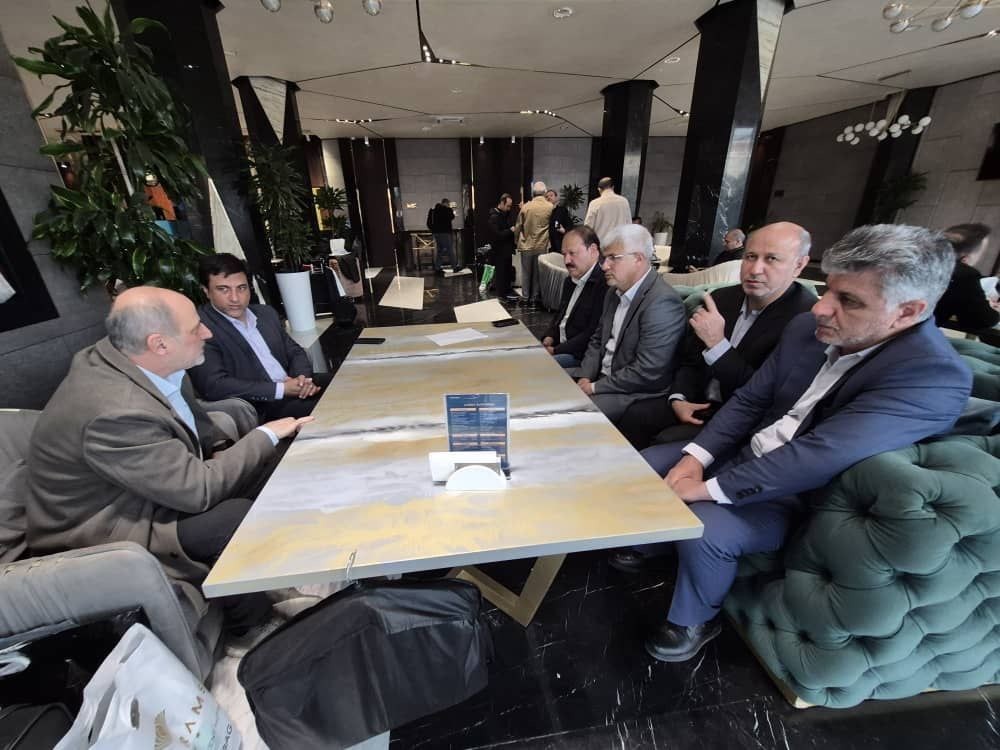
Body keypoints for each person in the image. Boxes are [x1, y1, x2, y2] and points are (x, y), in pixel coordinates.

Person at [639, 224, 972, 664]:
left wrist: (704, 489)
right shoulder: (805, 327)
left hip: (796, 496)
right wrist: (695, 458)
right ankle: (657, 541)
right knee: (644, 465)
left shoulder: (931, 376)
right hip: (745, 453)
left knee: (708, 527)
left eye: (848, 300)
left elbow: (818, 455)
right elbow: (750, 399)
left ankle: (695, 619)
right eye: (828, 288)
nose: (821, 307)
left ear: (907, 311)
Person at [26, 287, 313, 632]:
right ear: (159, 344)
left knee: (274, 463)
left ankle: (280, 569)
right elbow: (196, 492)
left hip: (150, 489)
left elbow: (194, 424)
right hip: (108, 525)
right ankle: (254, 629)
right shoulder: (115, 411)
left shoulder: (146, 363)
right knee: (231, 518)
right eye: (195, 328)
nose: (208, 332)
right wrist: (264, 434)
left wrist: (225, 447)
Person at [615, 222, 815, 452]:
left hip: (741, 419)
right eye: (750, 257)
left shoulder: (805, 319)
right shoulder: (722, 298)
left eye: (771, 259)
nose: (755, 269)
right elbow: (689, 360)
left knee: (664, 442)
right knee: (634, 416)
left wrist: (718, 345)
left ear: (799, 265)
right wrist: (679, 398)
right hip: (698, 400)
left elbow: (764, 397)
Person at [188, 253, 332, 421]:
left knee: (349, 383)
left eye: (241, 288)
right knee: (333, 409)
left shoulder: (265, 314)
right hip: (263, 406)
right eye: (223, 289)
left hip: (294, 385)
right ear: (206, 291)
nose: (235, 298)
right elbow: (215, 385)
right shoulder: (200, 328)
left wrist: (302, 380)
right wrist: (281, 389)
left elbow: (295, 351)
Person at [573, 224, 687, 422]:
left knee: (571, 414)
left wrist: (593, 387)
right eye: (604, 258)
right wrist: (585, 376)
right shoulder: (613, 292)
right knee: (549, 384)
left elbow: (647, 370)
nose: (604, 266)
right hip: (600, 378)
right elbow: (597, 340)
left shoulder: (662, 302)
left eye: (613, 258)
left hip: (633, 392)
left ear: (638, 259)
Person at [541, 225, 607, 369]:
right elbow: (560, 315)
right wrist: (549, 336)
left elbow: (592, 333)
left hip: (579, 355)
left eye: (572, 253)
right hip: (559, 345)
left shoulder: (603, 284)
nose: (567, 261)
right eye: (564, 254)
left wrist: (555, 350)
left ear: (593, 250)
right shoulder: (569, 281)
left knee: (538, 367)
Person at [934, 223, 998, 330]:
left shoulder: (918, 259)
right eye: (981, 253)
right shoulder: (966, 276)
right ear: (965, 259)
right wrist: (994, 309)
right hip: (913, 335)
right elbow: (983, 321)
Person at [513, 181, 554, 305]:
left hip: (526, 244)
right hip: (542, 244)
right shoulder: (550, 207)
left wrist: (516, 240)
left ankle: (525, 297)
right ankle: (535, 297)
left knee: (526, 273)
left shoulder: (526, 207)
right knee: (537, 273)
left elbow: (518, 226)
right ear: (545, 192)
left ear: (533, 193)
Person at [583, 177, 632, 245]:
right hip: (618, 244)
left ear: (599, 189)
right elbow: (629, 225)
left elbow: (588, 227)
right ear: (613, 187)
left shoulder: (595, 203)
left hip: (601, 244)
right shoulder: (624, 201)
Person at [487, 193, 518, 302]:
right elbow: (497, 235)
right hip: (499, 250)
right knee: (501, 273)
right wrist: (510, 230)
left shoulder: (505, 214)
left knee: (507, 272)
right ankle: (501, 295)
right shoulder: (494, 217)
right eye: (508, 206)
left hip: (507, 249)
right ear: (501, 203)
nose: (509, 208)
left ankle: (507, 292)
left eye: (510, 206)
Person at [429, 197, 456, 273]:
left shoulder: (433, 211)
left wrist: (434, 229)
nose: (449, 205)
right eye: (448, 204)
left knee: (440, 250)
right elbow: (452, 217)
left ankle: (437, 267)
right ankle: (454, 267)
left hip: (436, 233)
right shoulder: (447, 210)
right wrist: (450, 209)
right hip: (445, 233)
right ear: (446, 203)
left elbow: (429, 222)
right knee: (450, 250)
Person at [546, 188, 574, 254]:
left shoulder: (562, 210)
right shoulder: (543, 212)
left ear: (556, 198)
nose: (549, 198)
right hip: (546, 244)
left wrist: (564, 230)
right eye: (546, 197)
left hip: (558, 244)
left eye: (551, 195)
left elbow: (570, 225)